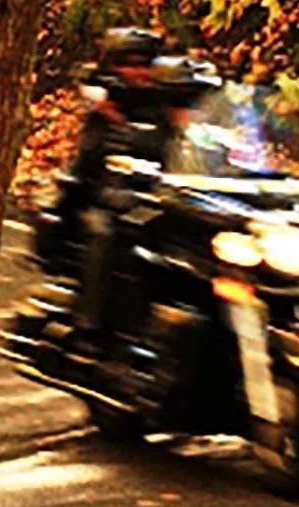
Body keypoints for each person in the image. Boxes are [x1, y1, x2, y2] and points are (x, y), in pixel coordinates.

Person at [19, 27, 216, 359]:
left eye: (144, 63)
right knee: (106, 231)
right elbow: (93, 159)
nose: (138, 72)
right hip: (101, 192)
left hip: (158, 193)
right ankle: (89, 328)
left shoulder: (165, 98)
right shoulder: (105, 99)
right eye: (129, 63)